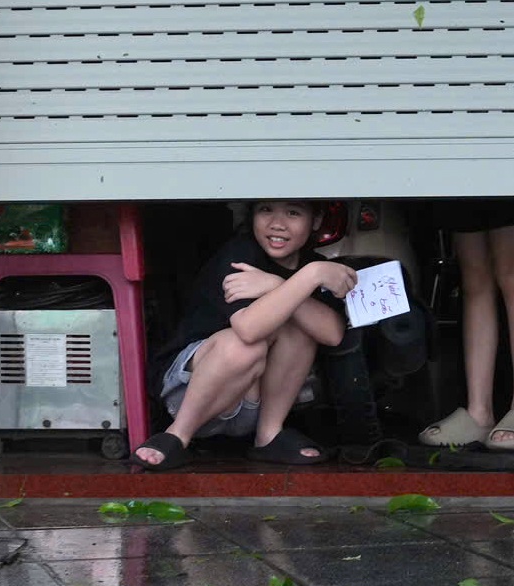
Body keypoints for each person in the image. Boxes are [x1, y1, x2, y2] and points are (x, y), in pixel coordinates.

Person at [135, 200, 358, 470]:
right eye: (266, 210)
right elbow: (248, 330)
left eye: (293, 213)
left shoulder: (313, 266)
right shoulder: (241, 254)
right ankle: (177, 435)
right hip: (189, 395)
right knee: (244, 346)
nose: (277, 223)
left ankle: (269, 436)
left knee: (299, 327)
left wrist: (280, 284)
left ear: (316, 221)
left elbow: (332, 333)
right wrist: (306, 279)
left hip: (252, 401)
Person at [422, 200, 514, 451]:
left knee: (513, 270)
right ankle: (478, 411)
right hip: (466, 168)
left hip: (512, 165)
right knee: (474, 277)